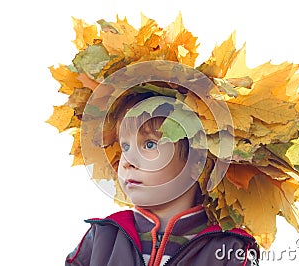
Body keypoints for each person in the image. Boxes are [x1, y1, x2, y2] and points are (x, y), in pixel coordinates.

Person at [65, 93, 260, 266]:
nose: (126, 162)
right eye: (125, 147)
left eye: (149, 144)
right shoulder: (102, 238)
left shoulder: (231, 249)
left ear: (196, 162)